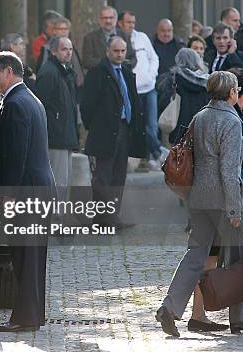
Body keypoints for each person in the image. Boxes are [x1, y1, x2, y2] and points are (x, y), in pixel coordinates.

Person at [155, 71, 243, 337]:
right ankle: (239, 319)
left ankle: (169, 308)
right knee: (237, 257)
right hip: (222, 197)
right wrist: (235, 209)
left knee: (195, 254)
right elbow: (229, 171)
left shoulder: (200, 116)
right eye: (237, 89)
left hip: (198, 198)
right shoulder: (232, 121)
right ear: (230, 93)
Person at [0, 51, 55, 332]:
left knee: (25, 258)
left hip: (25, 194)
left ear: (8, 71)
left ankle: (24, 319)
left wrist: (8, 195)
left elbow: (16, 154)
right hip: (36, 191)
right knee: (31, 259)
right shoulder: (28, 99)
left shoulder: (16, 103)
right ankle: (32, 315)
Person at [80, 37, 146, 226]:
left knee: (119, 174)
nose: (119, 54)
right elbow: (87, 105)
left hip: (124, 128)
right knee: (103, 176)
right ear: (108, 51)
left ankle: (113, 216)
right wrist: (95, 126)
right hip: (104, 130)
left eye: (123, 51)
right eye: (116, 51)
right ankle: (101, 218)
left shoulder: (126, 72)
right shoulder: (97, 72)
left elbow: (132, 100)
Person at [117, 10, 166, 170]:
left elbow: (154, 58)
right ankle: (158, 152)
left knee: (151, 125)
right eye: (128, 22)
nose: (131, 25)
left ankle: (154, 156)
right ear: (120, 23)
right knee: (140, 126)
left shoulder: (142, 37)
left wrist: (152, 75)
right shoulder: (118, 40)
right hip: (132, 90)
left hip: (149, 88)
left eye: (133, 22)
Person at [33, 36, 78, 193]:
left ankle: (59, 216)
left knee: (64, 181)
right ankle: (54, 217)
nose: (68, 53)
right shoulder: (49, 73)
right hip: (55, 137)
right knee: (58, 182)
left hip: (65, 136)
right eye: (64, 49)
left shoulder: (66, 72)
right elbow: (41, 106)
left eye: (70, 49)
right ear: (53, 51)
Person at [156, 49, 209, 144]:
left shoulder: (173, 79)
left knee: (178, 157)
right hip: (201, 130)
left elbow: (163, 102)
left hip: (178, 130)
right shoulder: (206, 81)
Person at [82, 6, 135, 71]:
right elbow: (87, 61)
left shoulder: (124, 35)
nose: (108, 21)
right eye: (105, 18)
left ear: (116, 19)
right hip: (100, 77)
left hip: (122, 75)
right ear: (99, 20)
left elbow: (133, 59)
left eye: (111, 18)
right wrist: (110, 63)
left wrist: (121, 64)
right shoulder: (90, 38)